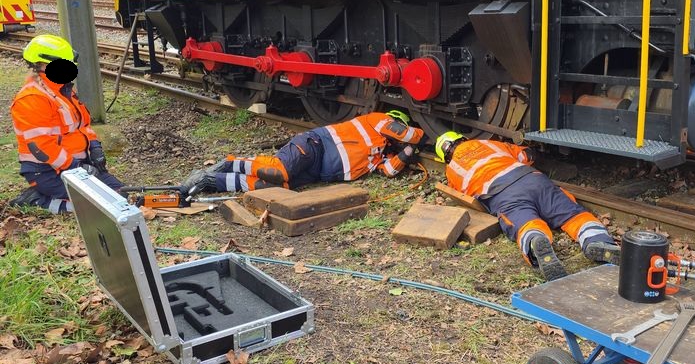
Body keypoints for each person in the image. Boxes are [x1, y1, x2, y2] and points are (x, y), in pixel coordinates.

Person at [436, 131, 619, 281]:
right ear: (463, 138)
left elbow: (462, 195)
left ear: (445, 157)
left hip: (504, 195)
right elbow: (527, 155)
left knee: (525, 223)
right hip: (533, 179)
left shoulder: (452, 169)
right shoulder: (488, 143)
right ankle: (597, 239)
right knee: (573, 214)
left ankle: (535, 243)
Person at [182, 110, 425, 194]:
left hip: (318, 173)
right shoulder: (378, 120)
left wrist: (406, 153)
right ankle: (230, 163)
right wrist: (420, 137)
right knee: (279, 171)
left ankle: (211, 181)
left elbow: (389, 171)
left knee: (275, 188)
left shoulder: (382, 156)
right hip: (315, 145)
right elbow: (406, 134)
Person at [9, 34, 123, 213]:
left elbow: (83, 126)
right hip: (46, 171)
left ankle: (55, 196)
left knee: (120, 193)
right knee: (102, 205)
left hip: (76, 165)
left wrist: (94, 147)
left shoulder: (63, 90)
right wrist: (75, 167)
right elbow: (42, 147)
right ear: (40, 65)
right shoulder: (32, 98)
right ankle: (36, 200)